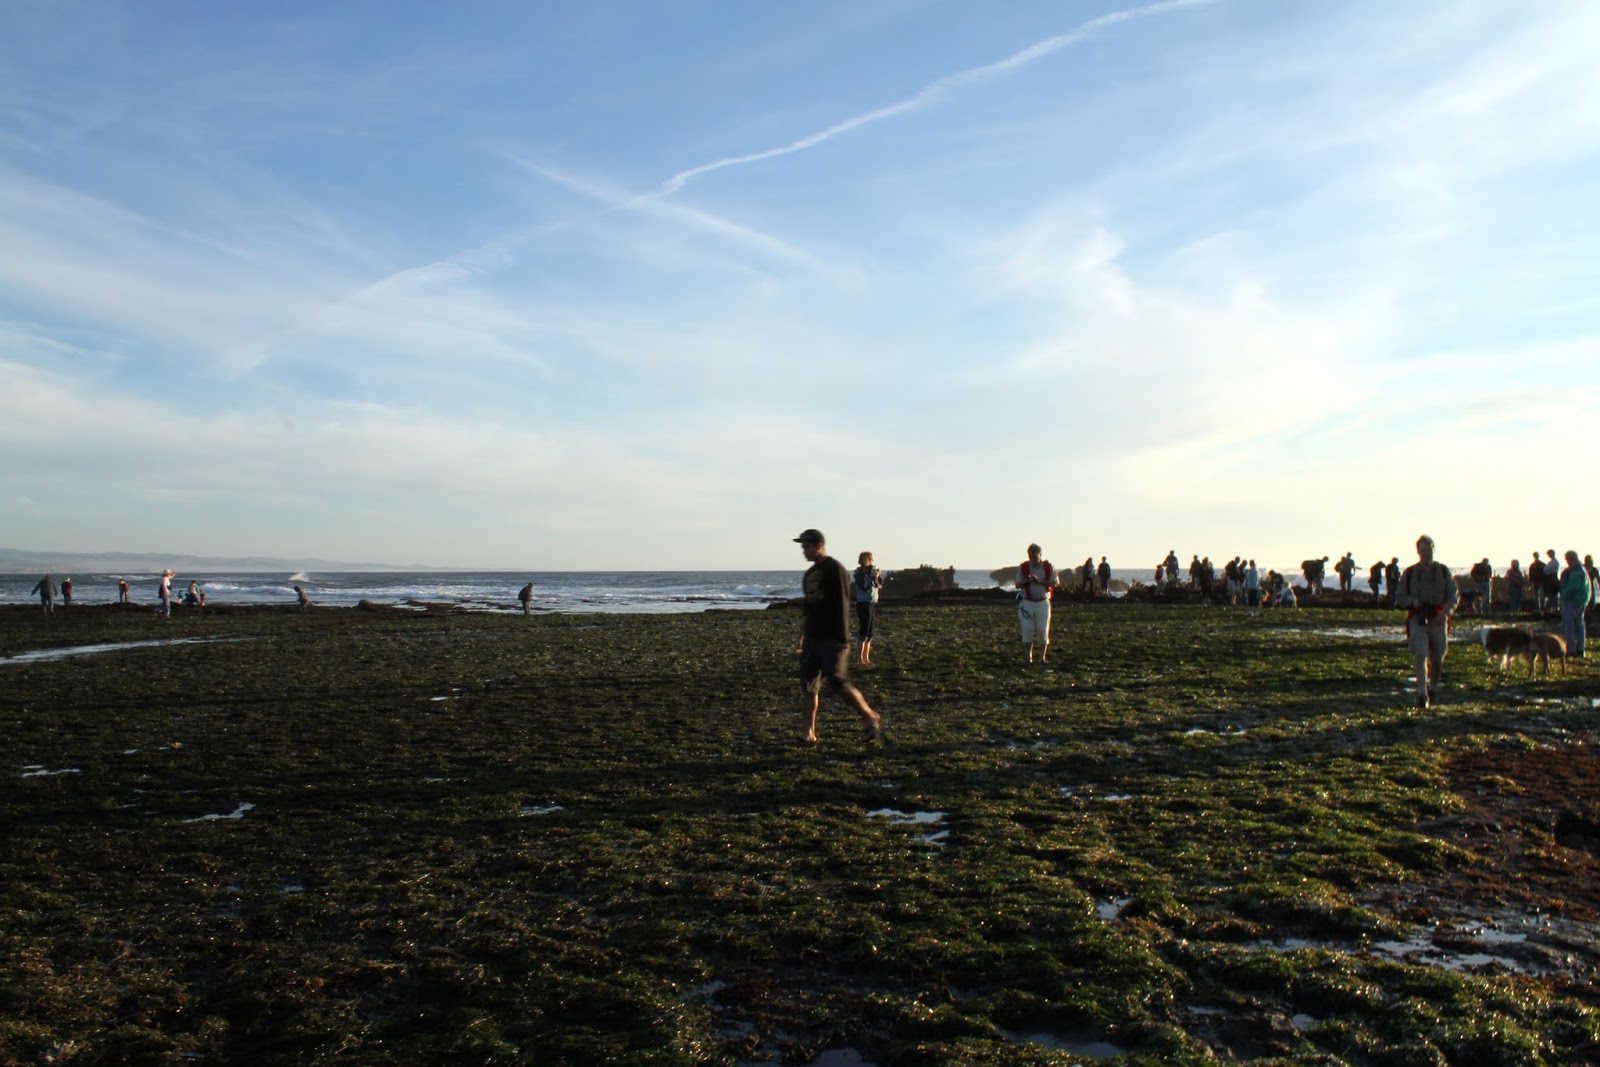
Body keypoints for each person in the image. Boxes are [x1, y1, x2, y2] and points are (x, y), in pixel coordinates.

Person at [793, 530, 881, 744]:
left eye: (807, 546)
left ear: (819, 545)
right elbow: (809, 607)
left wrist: (843, 637)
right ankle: (809, 734)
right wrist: (802, 637)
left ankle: (869, 716)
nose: (804, 550)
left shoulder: (834, 569)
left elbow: (843, 603)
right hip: (813, 638)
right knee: (809, 685)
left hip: (832, 639)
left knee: (838, 683)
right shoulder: (810, 574)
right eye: (803, 546)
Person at [1395, 535, 1459, 710]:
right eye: (1422, 550)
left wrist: (1446, 612)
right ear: (1418, 552)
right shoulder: (1409, 573)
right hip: (1418, 619)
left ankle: (1433, 688)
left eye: (1428, 550)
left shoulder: (1444, 572)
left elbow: (1453, 596)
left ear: (1433, 550)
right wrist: (1412, 602)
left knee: (1438, 657)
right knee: (1420, 654)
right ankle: (1422, 693)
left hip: (1438, 620)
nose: (1425, 554)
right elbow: (1399, 598)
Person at [1016, 543, 1057, 664]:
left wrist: (1039, 581)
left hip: (1043, 602)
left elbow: (1054, 583)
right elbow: (1017, 584)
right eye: (1030, 556)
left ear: (1040, 555)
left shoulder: (1049, 567)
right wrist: (1027, 581)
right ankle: (1028, 657)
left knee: (1042, 629)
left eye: (1034, 556)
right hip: (1026, 602)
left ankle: (1042, 657)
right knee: (1027, 629)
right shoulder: (1023, 567)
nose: (1032, 559)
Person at [852, 551, 883, 667]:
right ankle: (859, 660)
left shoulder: (871, 572)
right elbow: (865, 588)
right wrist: (872, 577)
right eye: (871, 559)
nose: (872, 562)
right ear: (867, 560)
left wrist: (877, 576)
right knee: (863, 633)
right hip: (863, 604)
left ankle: (866, 659)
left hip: (871, 603)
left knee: (870, 634)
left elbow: (879, 585)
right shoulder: (859, 574)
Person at [1559, 550, 1590, 658]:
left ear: (1572, 559)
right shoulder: (1582, 569)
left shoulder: (1575, 570)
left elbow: (1573, 587)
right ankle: (1581, 649)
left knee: (1569, 626)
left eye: (1568, 559)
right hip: (1581, 600)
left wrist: (1563, 596)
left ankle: (1570, 650)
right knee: (1580, 625)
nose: (1567, 561)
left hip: (1572, 601)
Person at [1543, 550, 1562, 616]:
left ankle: (1555, 608)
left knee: (1553, 594)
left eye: (1549, 554)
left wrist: (1546, 569)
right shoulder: (1551, 562)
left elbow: (1545, 570)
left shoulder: (1554, 562)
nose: (1548, 555)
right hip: (1551, 578)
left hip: (1552, 578)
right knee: (1551, 594)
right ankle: (1553, 608)